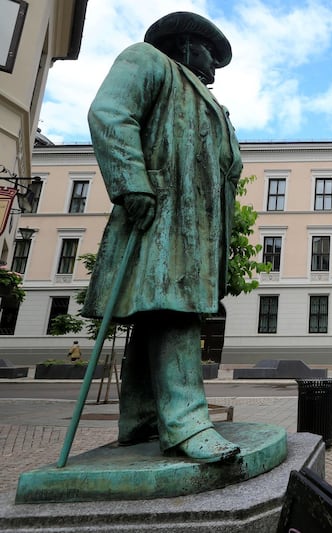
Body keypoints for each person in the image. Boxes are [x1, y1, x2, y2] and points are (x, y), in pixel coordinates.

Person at [81, 12, 243, 463]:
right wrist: (131, 181)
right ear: (186, 44)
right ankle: (188, 423)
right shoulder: (147, 61)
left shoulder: (212, 105)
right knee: (174, 310)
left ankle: (142, 418)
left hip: (197, 228)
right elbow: (110, 112)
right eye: (209, 52)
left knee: (153, 316)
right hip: (163, 215)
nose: (213, 65)